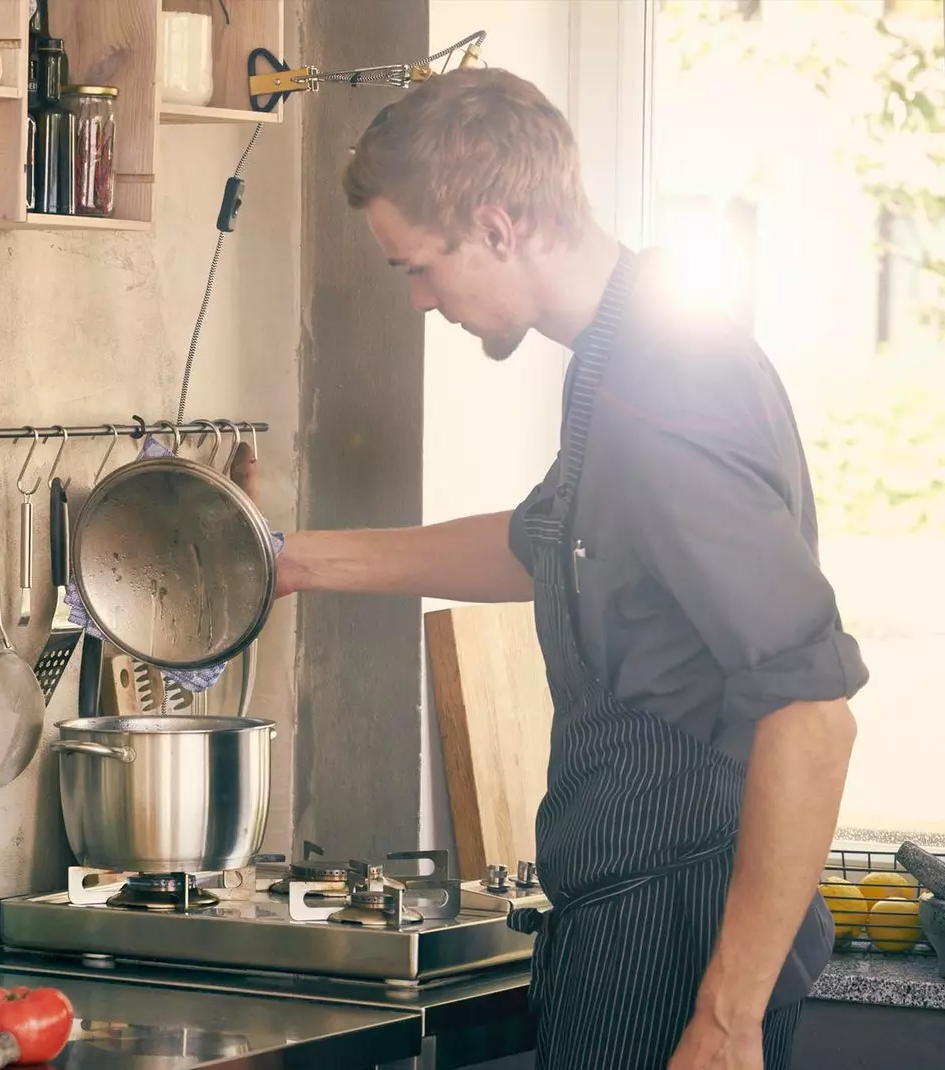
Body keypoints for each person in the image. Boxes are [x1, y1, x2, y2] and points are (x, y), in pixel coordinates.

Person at [274, 68, 868, 1070]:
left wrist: (724, 1018)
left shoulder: (664, 390)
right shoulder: (620, 353)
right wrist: (291, 561)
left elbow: (812, 713)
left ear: (499, 227)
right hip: (624, 916)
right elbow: (543, 539)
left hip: (679, 927)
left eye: (417, 267)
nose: (419, 302)